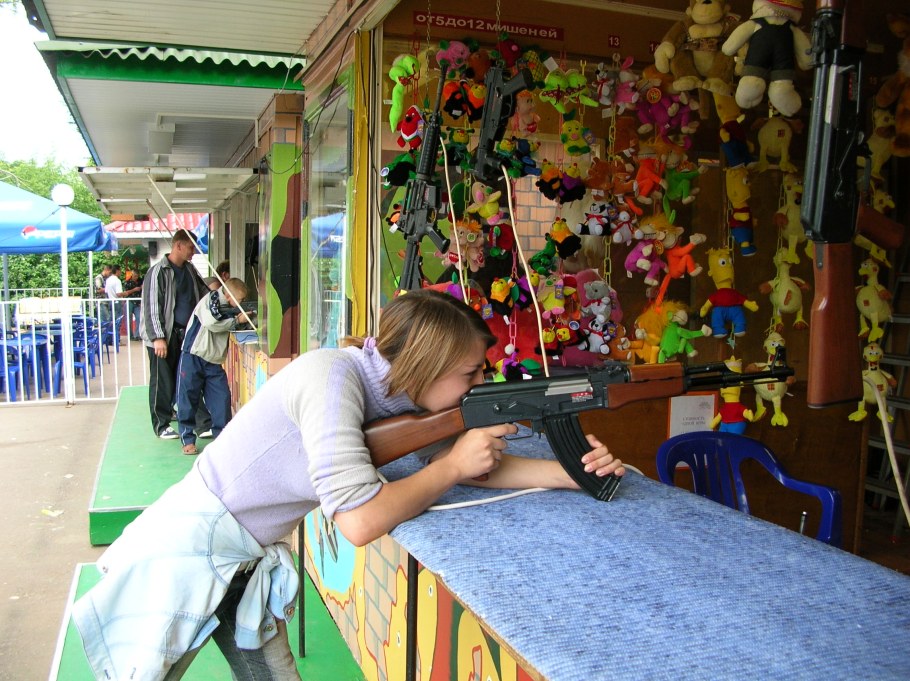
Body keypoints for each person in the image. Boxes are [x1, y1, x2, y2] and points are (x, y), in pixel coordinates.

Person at [71, 289, 625, 680]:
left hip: (243, 557)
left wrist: (572, 473)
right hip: (190, 552)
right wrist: (452, 466)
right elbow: (361, 520)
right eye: (471, 374)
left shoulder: (400, 394)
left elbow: (478, 463)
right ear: (425, 365)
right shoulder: (330, 376)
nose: (481, 383)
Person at [139, 229, 212, 440]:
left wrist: (225, 300)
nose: (193, 252)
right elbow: (152, 307)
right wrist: (158, 338)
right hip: (163, 336)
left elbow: (204, 293)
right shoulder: (157, 272)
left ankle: (201, 423)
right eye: (191, 247)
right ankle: (161, 425)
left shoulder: (190, 270)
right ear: (178, 245)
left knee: (189, 378)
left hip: (185, 334)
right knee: (163, 381)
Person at [176, 277, 248, 455]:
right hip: (193, 355)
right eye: (241, 300)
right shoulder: (211, 299)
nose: (242, 304)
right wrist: (236, 321)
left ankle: (222, 439)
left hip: (214, 361)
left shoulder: (229, 307)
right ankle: (187, 439)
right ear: (230, 296)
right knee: (187, 397)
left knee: (222, 399)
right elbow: (212, 324)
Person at [125, 269, 144, 340]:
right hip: (130, 301)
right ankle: (130, 336)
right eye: (134, 276)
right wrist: (134, 289)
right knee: (128, 319)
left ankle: (137, 335)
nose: (136, 277)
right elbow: (125, 292)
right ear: (132, 275)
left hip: (138, 302)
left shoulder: (141, 281)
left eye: (137, 276)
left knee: (139, 318)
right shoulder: (127, 282)